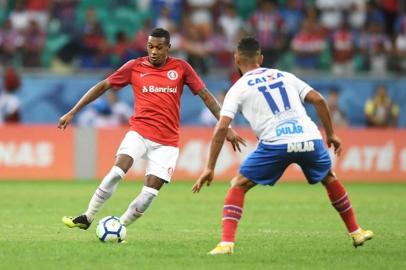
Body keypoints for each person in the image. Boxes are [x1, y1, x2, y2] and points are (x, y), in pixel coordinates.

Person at [192, 37, 373, 255]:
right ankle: (356, 231)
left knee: (238, 184)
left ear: (236, 59)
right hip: (309, 138)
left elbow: (221, 128)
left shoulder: (237, 88)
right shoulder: (285, 76)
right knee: (329, 177)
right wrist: (331, 134)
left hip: (276, 144)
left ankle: (226, 243)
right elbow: (319, 100)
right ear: (261, 58)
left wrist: (210, 167)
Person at [59, 28, 245, 232]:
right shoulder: (135, 66)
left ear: (168, 48)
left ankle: (117, 227)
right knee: (116, 172)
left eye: (159, 47)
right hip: (139, 132)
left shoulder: (181, 68)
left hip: (167, 143)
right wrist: (72, 112)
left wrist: (226, 126)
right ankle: (87, 216)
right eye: (150, 47)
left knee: (149, 194)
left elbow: (207, 96)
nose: (154, 51)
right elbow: (103, 86)